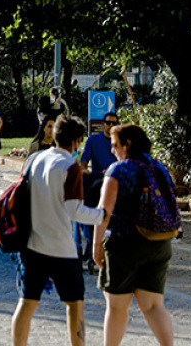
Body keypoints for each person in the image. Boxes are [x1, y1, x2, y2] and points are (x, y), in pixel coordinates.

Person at [10, 116, 106, 346]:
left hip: (32, 243)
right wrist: (102, 215)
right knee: (75, 304)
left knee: (27, 302)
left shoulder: (35, 159)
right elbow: (74, 210)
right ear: (77, 141)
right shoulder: (70, 166)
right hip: (61, 248)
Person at [94, 124, 176, 346]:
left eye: (115, 145)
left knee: (118, 306)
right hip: (159, 242)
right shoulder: (159, 167)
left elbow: (104, 211)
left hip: (124, 244)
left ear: (127, 144)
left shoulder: (118, 170)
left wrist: (97, 245)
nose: (112, 151)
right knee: (153, 305)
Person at [79, 112, 119, 269]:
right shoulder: (94, 140)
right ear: (103, 125)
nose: (111, 126)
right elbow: (84, 161)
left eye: (114, 123)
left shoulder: (120, 142)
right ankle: (91, 243)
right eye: (108, 123)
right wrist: (84, 169)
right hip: (98, 181)